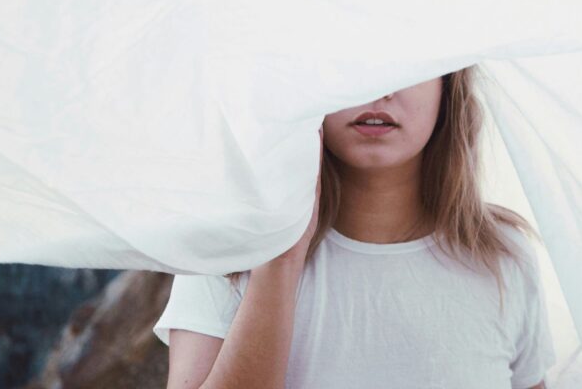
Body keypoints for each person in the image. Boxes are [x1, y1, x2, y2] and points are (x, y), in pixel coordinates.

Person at [153, 65, 557, 388]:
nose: (378, 88)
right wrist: (279, 262)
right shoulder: (227, 251)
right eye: (351, 59)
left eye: (407, 62)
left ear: (448, 84)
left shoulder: (503, 256)